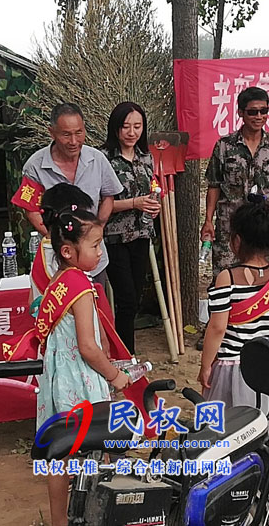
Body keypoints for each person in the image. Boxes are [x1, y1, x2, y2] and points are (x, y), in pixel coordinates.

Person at [35, 204, 131, 525]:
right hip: (80, 378)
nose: (100, 251)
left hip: (56, 379)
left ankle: (60, 521)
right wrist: (115, 375)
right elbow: (89, 347)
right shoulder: (81, 288)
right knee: (98, 446)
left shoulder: (60, 281)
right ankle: (98, 514)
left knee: (59, 455)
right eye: (95, 245)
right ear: (68, 251)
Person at [197, 197, 269, 455]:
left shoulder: (227, 278)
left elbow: (217, 328)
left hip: (233, 366)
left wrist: (205, 366)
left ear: (236, 240)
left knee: (228, 428)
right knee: (266, 423)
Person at [12, 102, 123, 287]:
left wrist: (97, 228)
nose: (73, 141)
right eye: (66, 134)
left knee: (96, 309)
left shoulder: (97, 159)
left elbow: (108, 197)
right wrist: (58, 237)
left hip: (93, 260)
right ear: (52, 132)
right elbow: (31, 210)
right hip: (56, 259)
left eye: (78, 133)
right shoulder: (35, 166)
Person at [201, 86, 269, 276]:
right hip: (231, 226)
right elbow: (214, 184)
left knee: (264, 279)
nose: (259, 116)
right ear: (241, 113)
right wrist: (208, 220)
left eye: (264, 111)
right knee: (225, 277)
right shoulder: (225, 146)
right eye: (253, 112)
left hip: (263, 225)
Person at [101, 102, 161, 355]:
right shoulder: (103, 158)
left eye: (137, 126)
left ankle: (123, 351)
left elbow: (152, 189)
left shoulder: (146, 157)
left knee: (134, 298)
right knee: (125, 299)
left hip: (142, 234)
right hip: (114, 236)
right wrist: (134, 203)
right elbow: (99, 202)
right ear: (115, 128)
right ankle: (126, 355)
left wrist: (154, 204)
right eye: (126, 126)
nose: (132, 132)